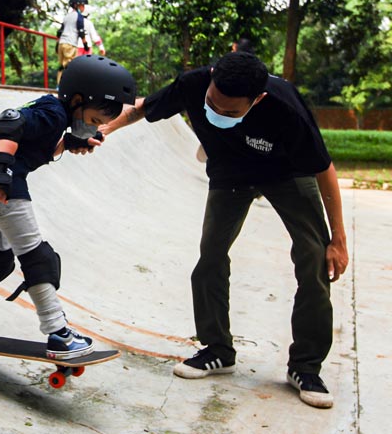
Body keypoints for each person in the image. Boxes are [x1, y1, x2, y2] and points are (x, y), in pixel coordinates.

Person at [100, 52, 349, 408]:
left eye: (231, 112)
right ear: (212, 77)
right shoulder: (193, 83)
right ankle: (218, 349)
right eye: (212, 104)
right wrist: (104, 128)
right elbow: (142, 108)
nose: (218, 113)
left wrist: (338, 239)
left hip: (287, 173)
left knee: (314, 258)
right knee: (211, 256)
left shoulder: (285, 106)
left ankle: (305, 367)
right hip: (230, 173)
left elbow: (325, 170)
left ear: (258, 100)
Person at [0, 55, 137, 359]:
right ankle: (58, 335)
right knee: (38, 257)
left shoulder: (51, 114)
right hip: (0, 186)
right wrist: (1, 171)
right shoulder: (54, 114)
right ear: (76, 100)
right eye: (94, 120)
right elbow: (10, 122)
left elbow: (34, 141)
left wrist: (70, 143)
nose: (94, 128)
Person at [56, 0, 97, 85]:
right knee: (70, 65)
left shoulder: (67, 17)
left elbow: (60, 31)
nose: (83, 8)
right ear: (76, 5)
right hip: (70, 44)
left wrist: (57, 44)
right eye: (82, 5)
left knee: (62, 65)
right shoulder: (79, 17)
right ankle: (67, 86)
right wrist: (85, 44)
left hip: (61, 43)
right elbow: (81, 31)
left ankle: (59, 85)